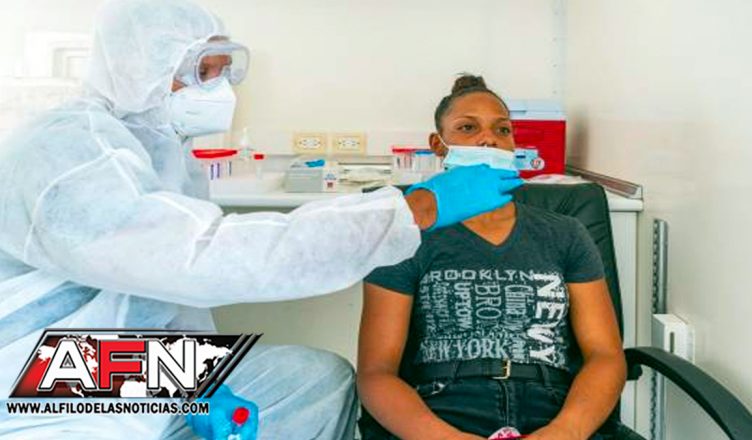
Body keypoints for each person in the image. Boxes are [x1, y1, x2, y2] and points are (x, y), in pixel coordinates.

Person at [0, 1, 522, 439]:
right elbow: (198, 259)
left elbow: (168, 300)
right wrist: (413, 209)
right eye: (203, 72)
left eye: (224, 72)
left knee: (318, 382)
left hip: (108, 362)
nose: (220, 89)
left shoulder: (166, 156)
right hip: (39, 373)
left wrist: (201, 386)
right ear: (142, 67)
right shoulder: (66, 150)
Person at [357, 75, 627, 440]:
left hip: (553, 409)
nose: (489, 140)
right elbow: (376, 372)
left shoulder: (565, 233)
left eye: (503, 130)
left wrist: (566, 431)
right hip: (442, 409)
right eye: (468, 128)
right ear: (438, 145)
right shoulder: (407, 234)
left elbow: (605, 356)